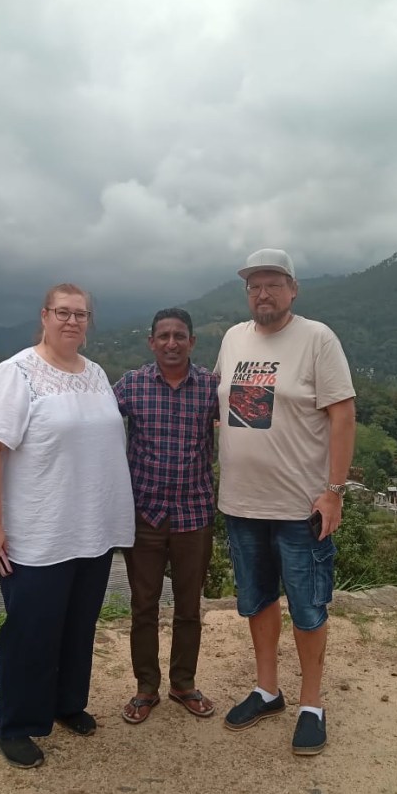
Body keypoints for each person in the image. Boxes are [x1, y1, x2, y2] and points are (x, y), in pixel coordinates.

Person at [0, 283, 135, 768]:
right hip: (37, 532)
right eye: (62, 312)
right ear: (44, 316)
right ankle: (15, 726)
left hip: (90, 527)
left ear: (89, 322)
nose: (71, 321)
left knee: (78, 625)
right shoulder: (16, 373)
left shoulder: (96, 373)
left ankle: (67, 703)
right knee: (32, 631)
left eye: (80, 314)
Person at [215, 249, 356, 755]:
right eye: (254, 285)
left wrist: (333, 493)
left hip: (301, 507)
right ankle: (267, 690)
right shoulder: (233, 338)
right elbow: (227, 410)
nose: (263, 293)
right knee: (257, 601)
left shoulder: (317, 338)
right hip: (242, 503)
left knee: (308, 608)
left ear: (293, 289)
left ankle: (311, 704)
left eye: (273, 284)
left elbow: (343, 415)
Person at [113, 308, 219, 724]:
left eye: (179, 336)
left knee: (189, 605)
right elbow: (93, 424)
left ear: (192, 341)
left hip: (194, 512)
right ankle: (146, 688)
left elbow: (249, 425)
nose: (171, 343)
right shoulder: (131, 386)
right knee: (144, 605)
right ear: (151, 342)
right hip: (145, 514)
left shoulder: (211, 387)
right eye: (163, 336)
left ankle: (183, 683)